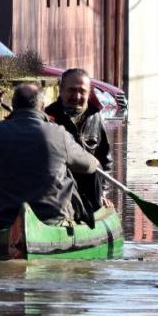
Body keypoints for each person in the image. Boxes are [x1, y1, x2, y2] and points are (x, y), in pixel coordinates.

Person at [0, 82, 100, 255]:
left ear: (14, 105)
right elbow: (91, 165)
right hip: (51, 221)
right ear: (42, 106)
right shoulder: (58, 133)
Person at [43, 67, 112, 214]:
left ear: (89, 93)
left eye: (82, 91)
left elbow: (105, 161)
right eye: (72, 90)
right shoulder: (47, 117)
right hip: (59, 196)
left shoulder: (96, 117)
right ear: (60, 90)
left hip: (90, 196)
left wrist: (103, 193)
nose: (77, 96)